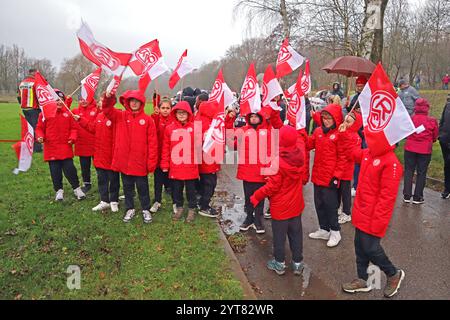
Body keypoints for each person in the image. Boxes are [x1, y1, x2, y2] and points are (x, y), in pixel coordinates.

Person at [341, 128, 405, 298]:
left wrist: (378, 223)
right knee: (360, 247)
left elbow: (387, 199)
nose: (367, 139)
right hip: (361, 211)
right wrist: (344, 133)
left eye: (371, 137)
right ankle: (363, 279)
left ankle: (393, 274)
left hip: (374, 217)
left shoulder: (391, 163)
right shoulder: (369, 153)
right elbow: (351, 154)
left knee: (371, 248)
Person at [250, 125, 305, 275]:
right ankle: (297, 263)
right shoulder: (300, 155)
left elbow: (272, 187)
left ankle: (279, 263)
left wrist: (256, 196)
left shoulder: (278, 161)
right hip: (296, 205)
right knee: (296, 234)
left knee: (279, 236)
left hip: (280, 207)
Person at [102, 91, 158, 224]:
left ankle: (145, 209)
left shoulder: (148, 120)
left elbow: (153, 142)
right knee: (127, 187)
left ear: (141, 103)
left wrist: (151, 161)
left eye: (136, 101)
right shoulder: (120, 116)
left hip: (140, 162)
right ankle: (130, 207)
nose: (133, 103)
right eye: (131, 100)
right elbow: (107, 110)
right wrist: (108, 97)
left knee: (142, 187)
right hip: (124, 162)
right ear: (127, 102)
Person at [226, 109, 275, 234]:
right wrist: (229, 120)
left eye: (256, 116)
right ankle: (249, 218)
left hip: (261, 172)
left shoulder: (267, 132)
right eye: (251, 116)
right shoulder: (243, 131)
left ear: (261, 118)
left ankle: (258, 220)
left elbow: (270, 151)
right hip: (247, 171)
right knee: (248, 197)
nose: (253, 119)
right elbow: (232, 141)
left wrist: (268, 170)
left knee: (259, 197)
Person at [35, 89, 86, 201]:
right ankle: (59, 190)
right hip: (51, 148)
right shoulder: (44, 114)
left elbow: (74, 128)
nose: (59, 102)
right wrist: (40, 136)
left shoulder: (68, 114)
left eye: (61, 100)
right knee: (55, 171)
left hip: (65, 147)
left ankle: (76, 188)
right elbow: (39, 128)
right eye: (56, 100)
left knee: (70, 169)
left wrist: (72, 138)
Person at [307, 104, 346, 247]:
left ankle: (335, 231)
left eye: (329, 118)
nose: (326, 121)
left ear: (335, 119)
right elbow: (308, 144)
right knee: (319, 203)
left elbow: (343, 157)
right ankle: (324, 229)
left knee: (331, 205)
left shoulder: (339, 134)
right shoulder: (318, 131)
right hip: (318, 175)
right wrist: (300, 132)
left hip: (330, 178)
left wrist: (337, 176)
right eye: (324, 118)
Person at [74, 97, 120, 212]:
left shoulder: (116, 116)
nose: (101, 103)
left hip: (111, 154)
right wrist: (81, 119)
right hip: (99, 154)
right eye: (100, 101)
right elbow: (92, 127)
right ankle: (104, 200)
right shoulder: (99, 117)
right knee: (102, 178)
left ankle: (114, 200)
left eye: (103, 101)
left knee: (113, 178)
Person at [161, 101, 200, 223]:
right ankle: (179, 207)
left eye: (184, 113)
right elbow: (166, 147)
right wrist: (165, 164)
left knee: (190, 189)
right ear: (175, 114)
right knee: (176, 188)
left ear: (189, 114)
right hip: (175, 165)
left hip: (190, 165)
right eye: (179, 113)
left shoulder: (194, 128)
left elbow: (199, 147)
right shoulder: (170, 129)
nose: (182, 115)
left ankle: (192, 208)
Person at [402, 98, 439, 204]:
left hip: (410, 148)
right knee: (421, 173)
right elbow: (435, 136)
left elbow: (406, 132)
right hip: (424, 150)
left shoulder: (411, 119)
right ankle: (418, 197)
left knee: (409, 171)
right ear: (427, 107)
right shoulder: (431, 120)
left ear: (416, 107)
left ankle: (407, 195)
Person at [195, 100, 221, 218]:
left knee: (203, 182)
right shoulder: (210, 124)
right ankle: (204, 206)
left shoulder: (198, 119)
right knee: (210, 183)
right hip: (209, 160)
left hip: (202, 159)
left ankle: (200, 201)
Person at [337, 111, 362, 224]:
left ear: (355, 124)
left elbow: (349, 153)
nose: (345, 123)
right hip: (338, 167)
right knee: (337, 190)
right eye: (345, 120)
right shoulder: (343, 131)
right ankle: (338, 207)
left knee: (345, 192)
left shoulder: (356, 138)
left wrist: (343, 135)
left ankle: (347, 213)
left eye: (348, 122)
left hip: (346, 169)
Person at [150, 97, 173, 213]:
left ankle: (175, 200)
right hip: (158, 155)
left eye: (167, 108)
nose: (165, 110)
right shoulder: (155, 118)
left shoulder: (174, 120)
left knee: (172, 179)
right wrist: (154, 115)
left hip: (171, 156)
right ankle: (157, 200)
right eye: (163, 108)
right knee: (158, 179)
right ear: (158, 108)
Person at [71, 95, 98, 193]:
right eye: (81, 99)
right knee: (84, 165)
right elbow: (65, 113)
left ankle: (102, 183)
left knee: (99, 165)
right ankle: (87, 183)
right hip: (82, 143)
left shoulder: (96, 110)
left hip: (95, 143)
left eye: (86, 99)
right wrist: (68, 100)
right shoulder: (75, 111)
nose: (83, 101)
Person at [18, 69, 42, 152]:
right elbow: (39, 96)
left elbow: (18, 96)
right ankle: (37, 148)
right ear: (34, 73)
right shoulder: (35, 82)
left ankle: (29, 144)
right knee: (36, 127)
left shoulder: (22, 82)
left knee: (29, 128)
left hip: (25, 108)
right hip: (34, 108)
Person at [438, 93, 450, 199]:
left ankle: (447, 189)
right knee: (447, 165)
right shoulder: (447, 106)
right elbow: (442, 121)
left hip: (445, 139)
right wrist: (440, 134)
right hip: (445, 140)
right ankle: (447, 189)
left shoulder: (447, 105)